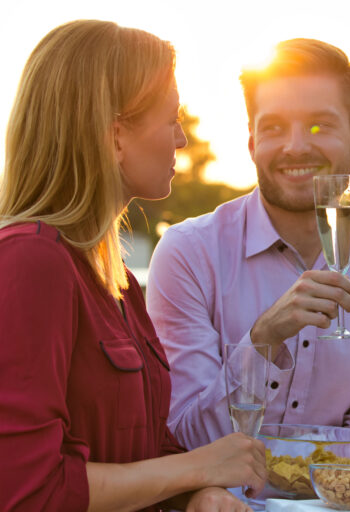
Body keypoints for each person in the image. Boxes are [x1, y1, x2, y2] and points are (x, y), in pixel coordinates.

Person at [0, 20, 265, 511]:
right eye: (172, 119)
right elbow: (27, 492)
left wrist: (197, 494)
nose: (182, 139)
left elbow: (145, 452)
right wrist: (201, 467)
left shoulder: (114, 279)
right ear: (116, 134)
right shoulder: (29, 262)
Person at [146, 39, 350, 450]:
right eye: (274, 127)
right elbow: (183, 439)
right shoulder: (188, 252)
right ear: (252, 142)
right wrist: (262, 342)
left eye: (319, 125)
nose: (295, 146)